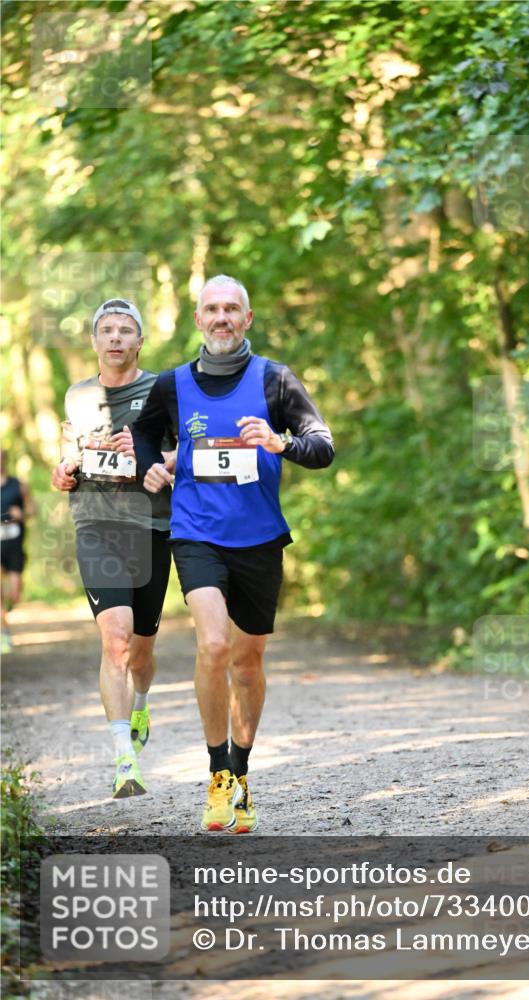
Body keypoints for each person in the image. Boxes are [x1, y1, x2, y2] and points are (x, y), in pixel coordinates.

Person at [133, 274, 334, 833]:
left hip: (260, 540)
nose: (221, 318)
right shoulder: (173, 385)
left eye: (232, 309)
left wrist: (281, 443)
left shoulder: (275, 379)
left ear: (247, 319)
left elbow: (323, 446)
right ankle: (218, 775)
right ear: (198, 320)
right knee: (214, 645)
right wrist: (152, 463)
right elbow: (145, 433)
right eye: (211, 309)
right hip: (195, 533)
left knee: (247, 665)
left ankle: (242, 773)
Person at [51, 299, 174, 799]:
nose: (116, 338)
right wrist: (62, 469)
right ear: (95, 340)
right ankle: (124, 760)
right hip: (96, 524)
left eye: (126, 330)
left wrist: (149, 454)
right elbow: (68, 449)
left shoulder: (162, 390)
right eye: (107, 330)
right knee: (116, 641)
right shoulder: (77, 396)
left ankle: (140, 701)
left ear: (140, 341)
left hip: (150, 526)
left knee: (141, 651)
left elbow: (183, 451)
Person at [1, 450, 35, 653]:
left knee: (14, 594)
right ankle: (4, 633)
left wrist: (21, 514)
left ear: (5, 460)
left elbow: (32, 510)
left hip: (14, 546)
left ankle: (8, 607)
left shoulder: (19, 485)